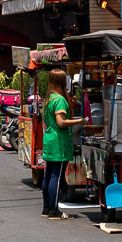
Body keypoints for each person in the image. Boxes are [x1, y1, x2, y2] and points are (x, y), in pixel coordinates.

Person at [41, 69, 84, 220]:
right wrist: (80, 121)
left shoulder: (49, 98)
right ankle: (54, 209)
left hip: (50, 139)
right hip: (59, 141)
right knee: (57, 176)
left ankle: (46, 207)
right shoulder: (59, 99)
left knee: (48, 175)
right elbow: (61, 122)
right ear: (61, 81)